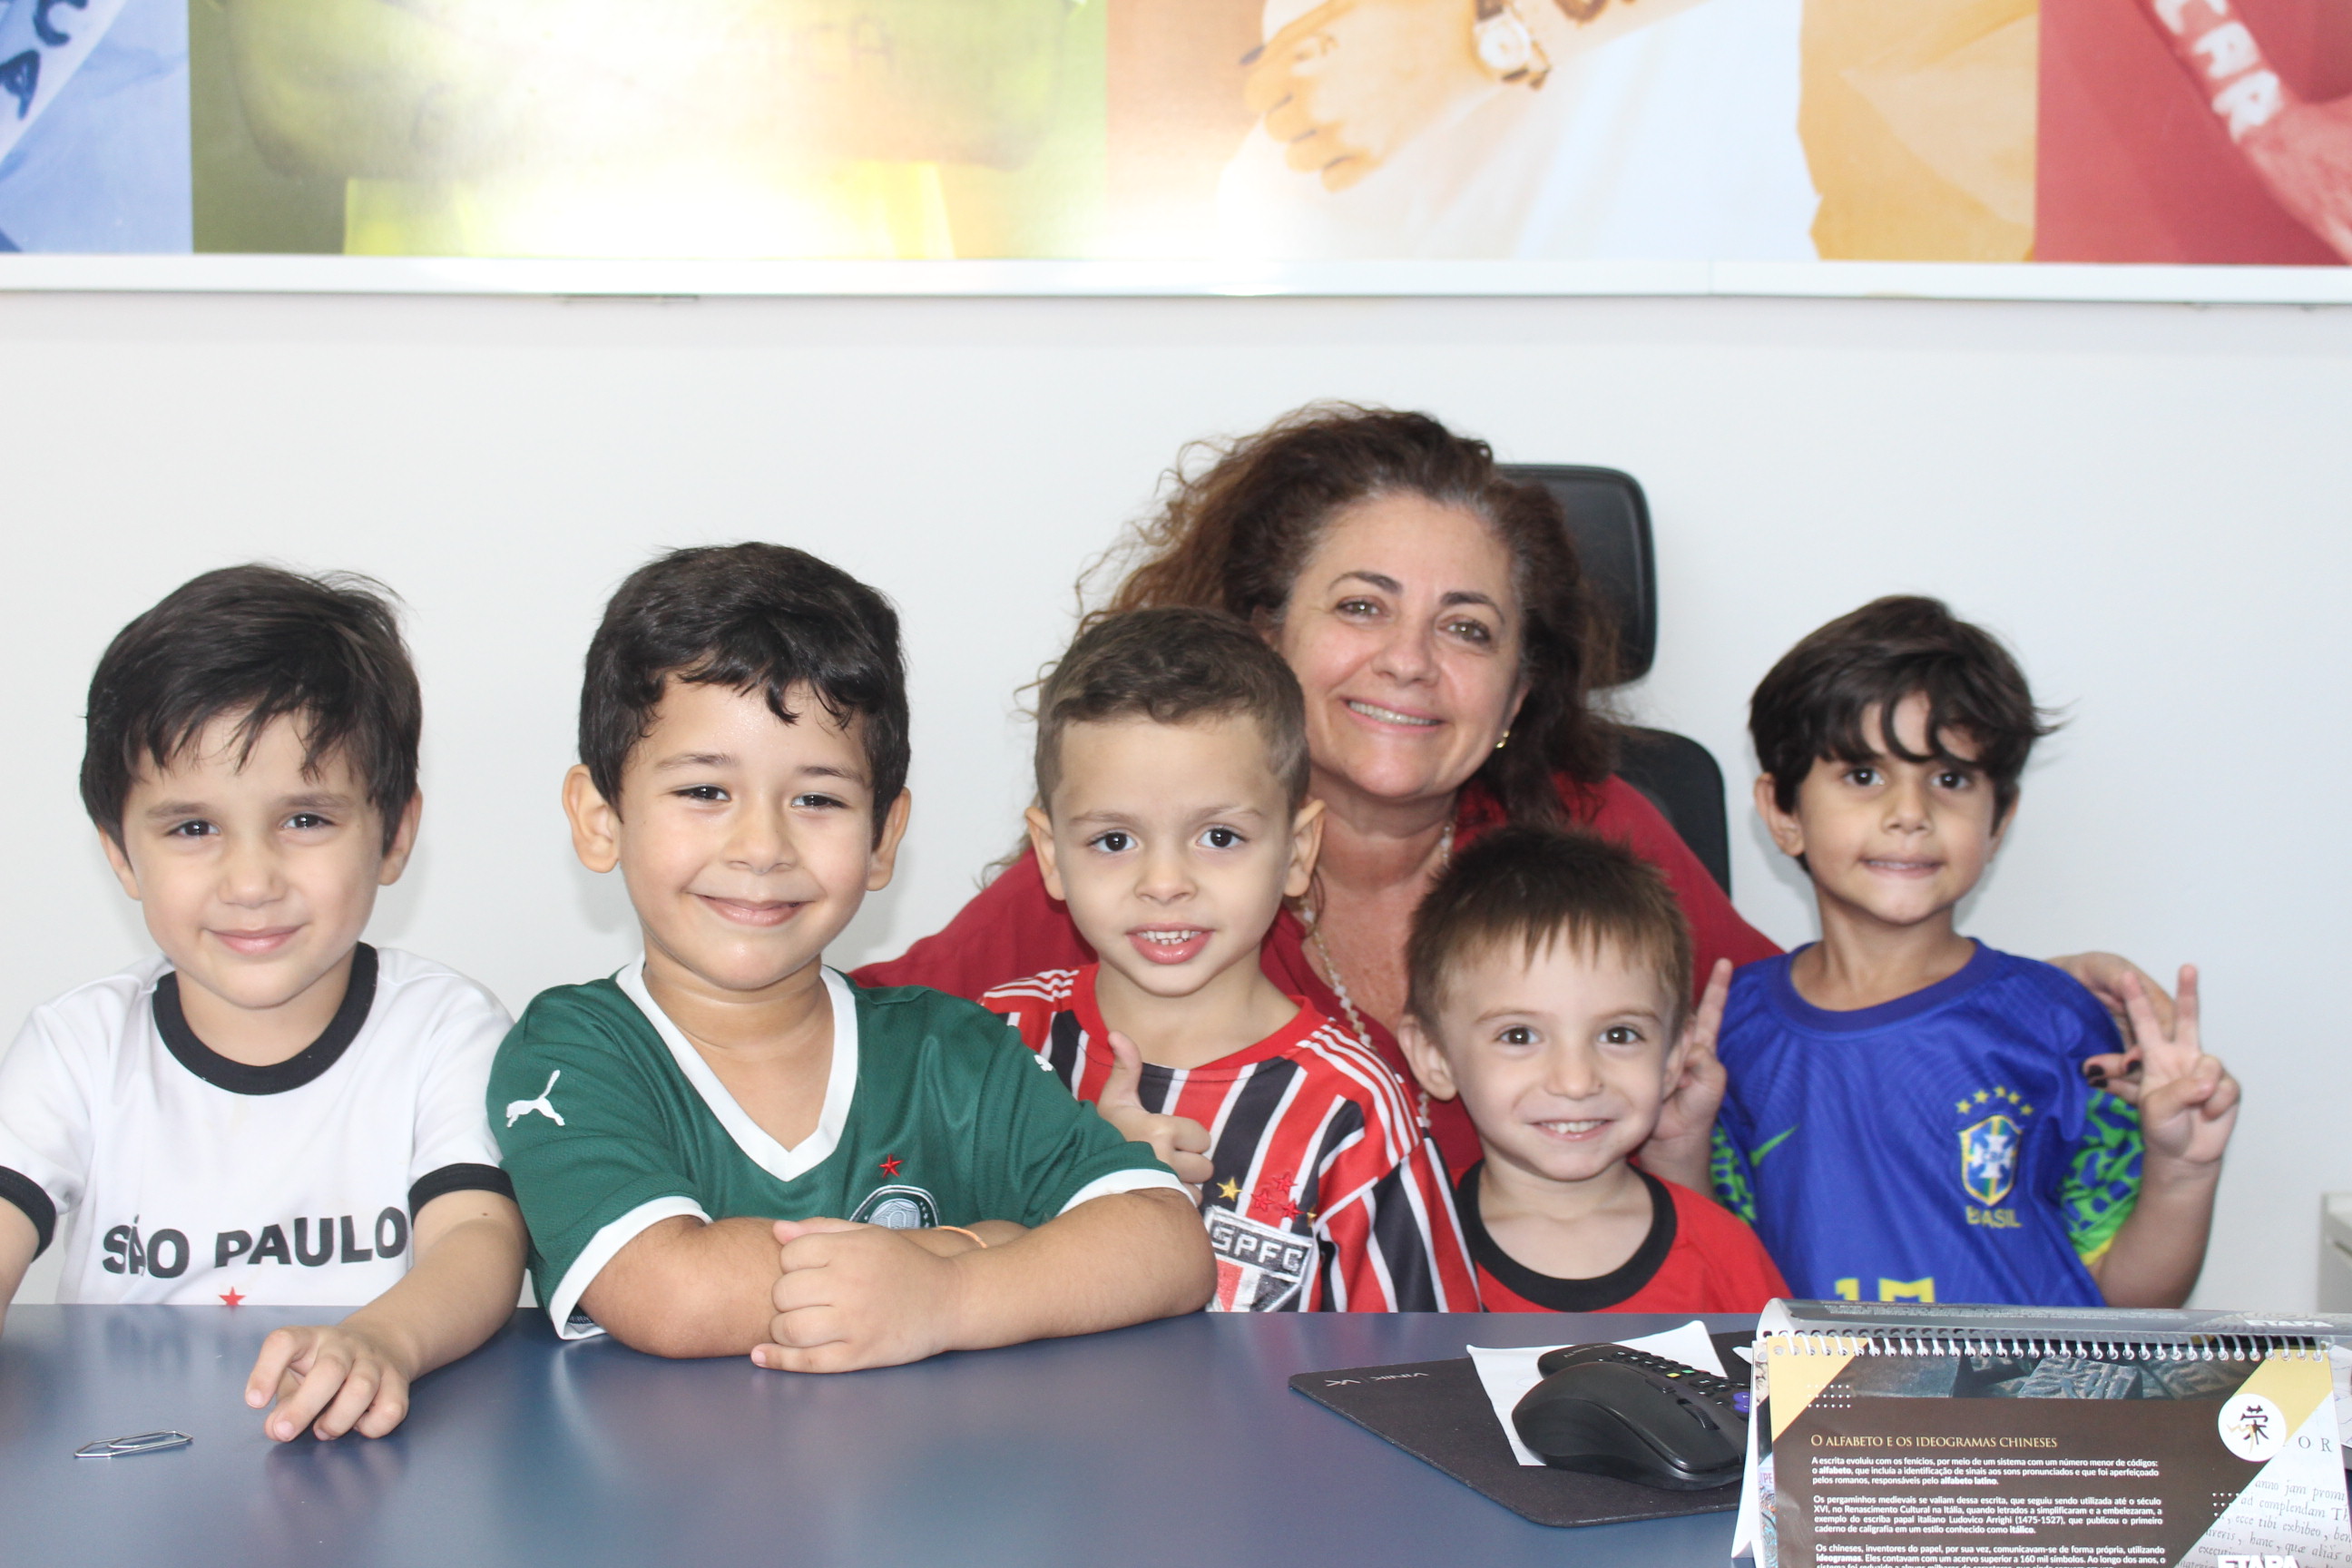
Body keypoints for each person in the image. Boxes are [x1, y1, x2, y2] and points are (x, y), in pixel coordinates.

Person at [857, 403, 2165, 1190]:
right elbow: (866, 1050)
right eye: (1361, 607)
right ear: (1260, 637)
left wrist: (1993, 1001)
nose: (1411, 662)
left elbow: (1791, 1038)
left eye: (1468, 628)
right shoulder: (1137, 871)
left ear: (1518, 685)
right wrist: (1041, 1157)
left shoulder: (1596, 837)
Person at [490, 543, 1210, 1369]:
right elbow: (676, 1296)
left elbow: (1167, 1245)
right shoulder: (571, 1052)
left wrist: (948, 1297)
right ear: (600, 818)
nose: (762, 846)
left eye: (817, 798)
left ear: (883, 837)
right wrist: (975, 1247)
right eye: (704, 791)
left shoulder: (954, 1051)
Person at [0, 566, 528, 1442]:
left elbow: (479, 1241)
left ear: (394, 832)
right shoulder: (76, 1047)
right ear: (121, 855)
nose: (251, 882)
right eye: (192, 828)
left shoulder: (445, 1029)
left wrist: (384, 1339)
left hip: (374, 1458)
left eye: (305, 820)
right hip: (126, 1460)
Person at [1713, 596, 2238, 1308]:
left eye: (1951, 779)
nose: (1910, 814)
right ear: (1782, 812)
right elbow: (1710, 1266)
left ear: (1999, 820)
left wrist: (2183, 1173)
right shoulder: (1729, 1031)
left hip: (2032, 1386)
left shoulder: (2062, 1025)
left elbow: (2127, 1306)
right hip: (1811, 1386)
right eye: (1863, 775)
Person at [980, 607, 1477, 1311]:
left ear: (1297, 851)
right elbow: (911, 1274)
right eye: (1115, 840)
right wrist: (1084, 1178)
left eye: (1218, 836)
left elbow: (1421, 1366)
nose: (1164, 883)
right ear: (1051, 854)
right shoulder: (990, 1048)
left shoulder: (1355, 1117)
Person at [1398, 827, 1786, 1311]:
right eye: (1519, 1036)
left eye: (1619, 1035)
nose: (1577, 1082)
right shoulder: (1403, 1252)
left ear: (1673, 1057)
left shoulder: (1726, 1253)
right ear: (1433, 1056)